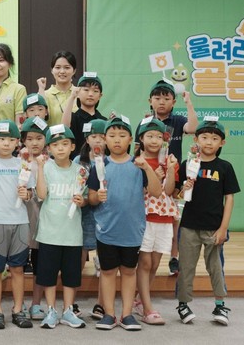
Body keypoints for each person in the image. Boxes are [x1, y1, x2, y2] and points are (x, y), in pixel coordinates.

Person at [86, 116, 162, 331]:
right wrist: (97, 196)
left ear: (130, 139)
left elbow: (156, 192)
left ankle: (127, 314)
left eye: (122, 135)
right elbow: (91, 197)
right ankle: (109, 314)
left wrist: (147, 168)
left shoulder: (138, 165)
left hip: (132, 231)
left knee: (129, 272)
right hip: (106, 230)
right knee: (108, 272)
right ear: (105, 140)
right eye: (112, 135)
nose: (117, 140)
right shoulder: (99, 165)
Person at [176, 117, 240, 326]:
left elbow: (229, 199)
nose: (209, 142)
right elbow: (177, 194)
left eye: (214, 138)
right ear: (196, 139)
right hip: (189, 226)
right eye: (204, 137)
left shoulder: (225, 167)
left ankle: (220, 305)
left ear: (222, 143)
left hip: (214, 228)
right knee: (186, 267)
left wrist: (223, 228)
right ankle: (183, 304)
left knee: (215, 267)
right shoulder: (188, 164)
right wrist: (184, 188)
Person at [0, 120, 33, 330]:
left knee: (18, 268)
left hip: (20, 221)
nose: (6, 143)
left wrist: (26, 194)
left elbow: (30, 192)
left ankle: (18, 310)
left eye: (11, 140)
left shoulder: (23, 163)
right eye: (1, 139)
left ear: (17, 142)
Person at [33, 124, 88, 329]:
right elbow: (41, 195)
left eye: (65, 144)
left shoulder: (80, 170)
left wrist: (82, 201)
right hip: (49, 232)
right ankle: (51, 310)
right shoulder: (46, 167)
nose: (60, 148)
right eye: (55, 145)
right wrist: (40, 168)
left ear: (73, 146)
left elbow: (84, 198)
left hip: (72, 233)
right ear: (49, 149)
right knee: (48, 275)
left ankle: (67, 311)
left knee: (71, 276)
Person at [146, 79, 199, 276]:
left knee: (173, 218)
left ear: (173, 102)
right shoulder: (146, 121)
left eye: (166, 98)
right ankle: (144, 253)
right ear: (150, 101)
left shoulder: (177, 120)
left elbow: (192, 128)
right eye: (157, 98)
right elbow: (138, 149)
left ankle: (173, 257)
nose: (161, 102)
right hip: (151, 173)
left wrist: (189, 103)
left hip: (172, 175)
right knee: (148, 216)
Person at [133, 118, 179, 325]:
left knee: (155, 264)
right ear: (141, 139)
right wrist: (151, 173)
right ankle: (147, 308)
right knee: (145, 262)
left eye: (159, 136)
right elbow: (139, 191)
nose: (154, 140)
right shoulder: (137, 161)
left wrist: (169, 170)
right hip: (144, 218)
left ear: (165, 140)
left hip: (165, 217)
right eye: (149, 136)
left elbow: (168, 191)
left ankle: (139, 299)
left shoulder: (169, 160)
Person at [72, 119, 107, 318]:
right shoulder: (79, 161)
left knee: (105, 262)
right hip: (82, 216)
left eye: (102, 137)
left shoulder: (110, 161)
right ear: (87, 139)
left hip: (105, 216)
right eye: (94, 136)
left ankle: (101, 303)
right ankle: (72, 302)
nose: (98, 141)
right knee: (78, 260)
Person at [20, 117, 49, 321]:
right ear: (23, 140)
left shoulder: (50, 164)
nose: (34, 143)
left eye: (39, 138)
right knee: (19, 265)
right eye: (29, 139)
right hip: (20, 221)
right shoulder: (18, 161)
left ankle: (36, 303)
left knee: (40, 264)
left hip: (43, 222)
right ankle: (19, 301)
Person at [63, 74, 106, 158]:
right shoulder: (73, 117)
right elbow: (64, 128)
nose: (90, 94)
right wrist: (72, 97)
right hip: (76, 163)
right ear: (78, 93)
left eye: (95, 91)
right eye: (86, 90)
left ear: (100, 96)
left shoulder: (104, 121)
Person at [37, 51, 78, 126]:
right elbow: (41, 120)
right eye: (58, 67)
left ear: (74, 71)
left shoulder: (80, 93)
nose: (62, 71)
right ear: (52, 70)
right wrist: (41, 90)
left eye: (67, 67)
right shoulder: (44, 94)